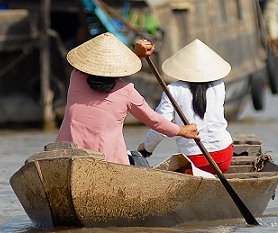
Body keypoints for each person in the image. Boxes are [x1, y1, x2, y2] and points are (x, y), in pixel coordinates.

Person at [56, 32, 199, 165]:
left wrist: (136, 54)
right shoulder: (127, 92)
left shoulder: (76, 77)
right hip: (109, 162)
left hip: (65, 157)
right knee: (138, 159)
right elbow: (154, 120)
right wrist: (182, 131)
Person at [136, 39, 234, 173]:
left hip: (193, 161)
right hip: (224, 157)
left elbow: (160, 124)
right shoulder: (219, 85)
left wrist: (147, 148)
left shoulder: (173, 89)